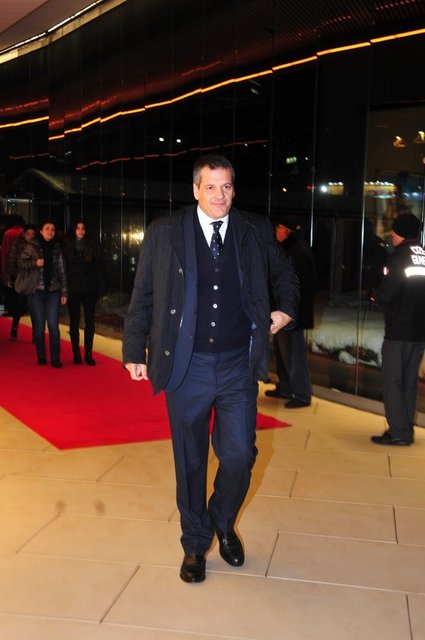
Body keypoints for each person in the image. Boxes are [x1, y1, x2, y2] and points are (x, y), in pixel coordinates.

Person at [123, 154, 299, 583]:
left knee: (239, 455)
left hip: (238, 362)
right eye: (211, 187)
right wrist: (133, 349)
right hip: (187, 365)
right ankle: (195, 543)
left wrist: (285, 310)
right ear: (196, 189)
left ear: (233, 189)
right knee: (190, 461)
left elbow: (286, 273)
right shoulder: (165, 231)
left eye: (227, 186)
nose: (220, 195)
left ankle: (222, 520)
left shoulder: (254, 229)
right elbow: (143, 293)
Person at [371, 213, 425, 446]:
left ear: (401, 232)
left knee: (392, 380)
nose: (391, 235)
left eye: (394, 231)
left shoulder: (399, 257)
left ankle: (398, 432)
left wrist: (374, 295)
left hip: (399, 330)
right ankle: (406, 429)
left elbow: (388, 293)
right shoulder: (423, 255)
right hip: (419, 331)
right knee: (409, 382)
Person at [266, 214, 315, 408]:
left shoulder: (296, 251)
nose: (275, 232)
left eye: (277, 228)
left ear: (285, 230)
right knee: (282, 351)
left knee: (293, 354)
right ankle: (286, 387)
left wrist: (289, 310)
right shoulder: (291, 248)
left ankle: (301, 394)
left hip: (292, 314)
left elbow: (296, 285)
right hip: (286, 311)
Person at [17, 220, 68, 367]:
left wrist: (64, 292)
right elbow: (20, 263)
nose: (50, 232)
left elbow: (62, 270)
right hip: (36, 291)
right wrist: (35, 263)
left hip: (54, 291)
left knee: (53, 325)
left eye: (53, 229)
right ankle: (41, 355)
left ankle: (55, 358)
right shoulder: (32, 245)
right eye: (47, 229)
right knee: (39, 327)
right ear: (41, 231)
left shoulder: (57, 247)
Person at [62, 219, 104, 366]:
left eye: (83, 228)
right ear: (73, 230)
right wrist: (64, 290)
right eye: (78, 228)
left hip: (89, 289)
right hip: (73, 289)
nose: (81, 231)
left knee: (90, 322)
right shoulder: (67, 246)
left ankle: (88, 353)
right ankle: (76, 354)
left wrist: (100, 288)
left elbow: (98, 269)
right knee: (74, 322)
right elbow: (63, 269)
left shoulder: (92, 245)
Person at [2, 223, 36, 338]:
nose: (30, 236)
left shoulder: (37, 245)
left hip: (34, 280)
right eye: (28, 234)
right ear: (24, 234)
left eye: (32, 234)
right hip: (20, 279)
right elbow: (10, 261)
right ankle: (15, 327)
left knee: (34, 307)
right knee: (19, 306)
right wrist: (7, 278)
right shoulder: (17, 244)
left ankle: (35, 332)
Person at [1, 215, 25, 316]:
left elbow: (5, 251)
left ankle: (11, 309)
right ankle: (22, 309)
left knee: (10, 289)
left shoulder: (8, 233)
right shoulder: (24, 232)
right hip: (23, 265)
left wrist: (3, 268)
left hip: (11, 265)